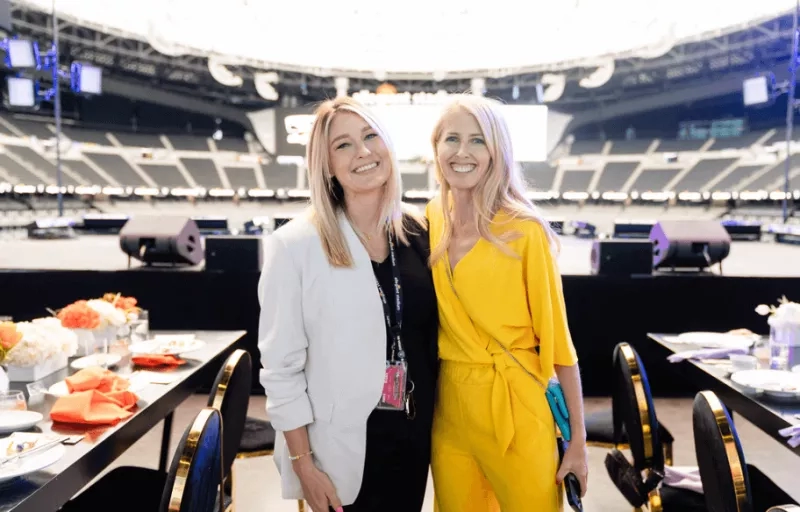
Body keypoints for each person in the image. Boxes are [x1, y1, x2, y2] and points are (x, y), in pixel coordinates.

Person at [257, 97, 438, 512]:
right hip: (339, 448)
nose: (363, 152)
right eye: (343, 145)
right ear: (326, 165)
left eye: (371, 136)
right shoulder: (295, 245)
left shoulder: (420, 231)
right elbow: (281, 369)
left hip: (415, 431)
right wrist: (304, 464)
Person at [425, 94, 588, 511]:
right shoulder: (430, 219)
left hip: (517, 406)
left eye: (478, 140)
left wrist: (578, 446)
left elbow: (560, 348)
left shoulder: (524, 231)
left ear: (498, 151)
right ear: (436, 147)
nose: (463, 152)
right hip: (450, 410)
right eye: (452, 139)